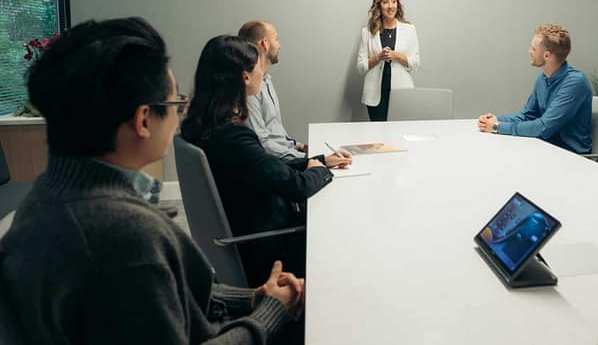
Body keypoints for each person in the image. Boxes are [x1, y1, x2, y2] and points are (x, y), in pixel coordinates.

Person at [0, 17, 302, 344]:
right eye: (175, 102)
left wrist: (251, 299)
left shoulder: (41, 199)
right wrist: (272, 312)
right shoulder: (125, 236)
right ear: (143, 120)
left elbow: (163, 294)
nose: (180, 112)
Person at [181, 36, 333, 285]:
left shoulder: (202, 127)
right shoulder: (232, 136)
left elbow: (261, 167)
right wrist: (320, 171)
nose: (263, 72)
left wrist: (318, 160)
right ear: (245, 77)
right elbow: (297, 187)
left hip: (248, 228)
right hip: (267, 246)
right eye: (257, 66)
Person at [238, 20, 351, 167]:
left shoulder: (266, 80)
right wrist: (315, 159)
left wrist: (302, 147)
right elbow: (263, 145)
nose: (279, 45)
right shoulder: (249, 90)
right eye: (276, 39)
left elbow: (275, 134)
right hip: (279, 165)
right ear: (265, 44)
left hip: (288, 156)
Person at [477, 24, 592, 154]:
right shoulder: (543, 79)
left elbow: (543, 128)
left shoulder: (575, 83)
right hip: (546, 148)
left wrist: (496, 127)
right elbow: (527, 115)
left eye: (533, 48)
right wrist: (495, 120)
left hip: (571, 156)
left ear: (547, 55)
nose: (529, 51)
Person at [356, 0, 420, 121]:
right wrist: (378, 57)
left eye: (394, 1)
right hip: (374, 95)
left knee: (401, 137)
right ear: (378, 6)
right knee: (378, 138)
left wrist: (397, 56)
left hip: (402, 92)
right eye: (385, 2)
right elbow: (361, 67)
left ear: (398, 5)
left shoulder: (409, 30)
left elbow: (415, 63)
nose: (390, 6)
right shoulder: (367, 32)